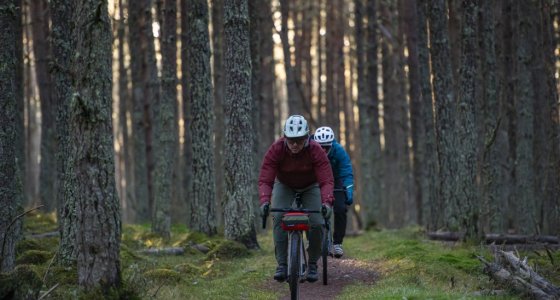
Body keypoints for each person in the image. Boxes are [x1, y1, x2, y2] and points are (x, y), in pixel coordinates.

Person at [259, 115, 334, 283]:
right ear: (285, 137)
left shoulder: (316, 150)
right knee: (278, 216)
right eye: (291, 140)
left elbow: (326, 180)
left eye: (299, 140)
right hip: (284, 184)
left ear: (307, 137)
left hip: (310, 185)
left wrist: (326, 202)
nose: (294, 144)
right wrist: (264, 201)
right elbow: (265, 178)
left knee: (316, 221)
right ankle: (283, 265)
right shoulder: (276, 149)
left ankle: (313, 263)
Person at [313, 126, 354, 258]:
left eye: (326, 147)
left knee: (341, 208)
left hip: (336, 180)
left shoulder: (339, 151)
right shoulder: (309, 149)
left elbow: (347, 172)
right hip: (315, 180)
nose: (323, 150)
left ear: (332, 144)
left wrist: (348, 191)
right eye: (321, 147)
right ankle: (313, 239)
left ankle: (337, 243)